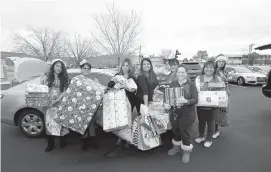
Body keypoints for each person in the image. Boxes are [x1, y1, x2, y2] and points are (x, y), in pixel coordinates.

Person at [105, 58, 138, 157]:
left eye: (127, 65)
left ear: (130, 67)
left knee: (126, 123)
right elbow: (109, 86)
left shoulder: (132, 78)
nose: (125, 67)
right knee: (120, 123)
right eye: (124, 65)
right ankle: (122, 141)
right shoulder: (117, 76)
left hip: (129, 104)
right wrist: (114, 81)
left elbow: (134, 92)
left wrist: (126, 87)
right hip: (118, 104)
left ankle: (124, 143)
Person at [165, 64, 198, 163]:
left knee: (185, 131)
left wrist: (186, 101)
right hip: (175, 112)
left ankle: (186, 151)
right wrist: (166, 104)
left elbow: (195, 99)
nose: (180, 74)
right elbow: (168, 97)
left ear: (186, 73)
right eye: (179, 72)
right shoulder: (173, 83)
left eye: (183, 72)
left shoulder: (191, 85)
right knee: (175, 130)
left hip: (187, 113)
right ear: (176, 73)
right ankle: (176, 147)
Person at [41, 59, 70, 152]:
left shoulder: (64, 77)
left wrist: (57, 100)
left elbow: (65, 91)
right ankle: (50, 144)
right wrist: (48, 100)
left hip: (60, 103)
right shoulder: (46, 76)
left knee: (60, 123)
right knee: (49, 124)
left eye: (61, 67)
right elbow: (42, 89)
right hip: (48, 104)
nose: (59, 68)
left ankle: (63, 141)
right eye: (57, 66)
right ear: (53, 66)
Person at [194, 60, 223, 148]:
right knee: (201, 121)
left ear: (214, 69)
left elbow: (222, 92)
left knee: (211, 122)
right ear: (204, 68)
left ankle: (209, 139)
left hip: (213, 106)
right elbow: (196, 91)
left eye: (211, 67)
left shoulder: (218, 78)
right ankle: (201, 136)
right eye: (207, 67)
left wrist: (221, 103)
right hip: (201, 104)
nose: (209, 69)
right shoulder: (199, 78)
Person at [78, 59, 99, 151]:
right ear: (81, 69)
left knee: (91, 125)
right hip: (80, 105)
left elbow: (98, 91)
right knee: (83, 125)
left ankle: (93, 142)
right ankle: (85, 143)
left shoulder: (94, 79)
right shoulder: (76, 80)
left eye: (88, 68)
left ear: (90, 70)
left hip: (91, 105)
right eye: (84, 68)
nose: (86, 70)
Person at [213, 54, 230, 139]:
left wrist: (227, 91)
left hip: (223, 94)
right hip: (214, 94)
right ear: (216, 62)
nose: (221, 63)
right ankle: (213, 130)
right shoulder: (213, 71)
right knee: (213, 112)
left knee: (220, 112)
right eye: (219, 61)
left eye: (223, 62)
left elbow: (226, 84)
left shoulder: (226, 72)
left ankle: (216, 130)